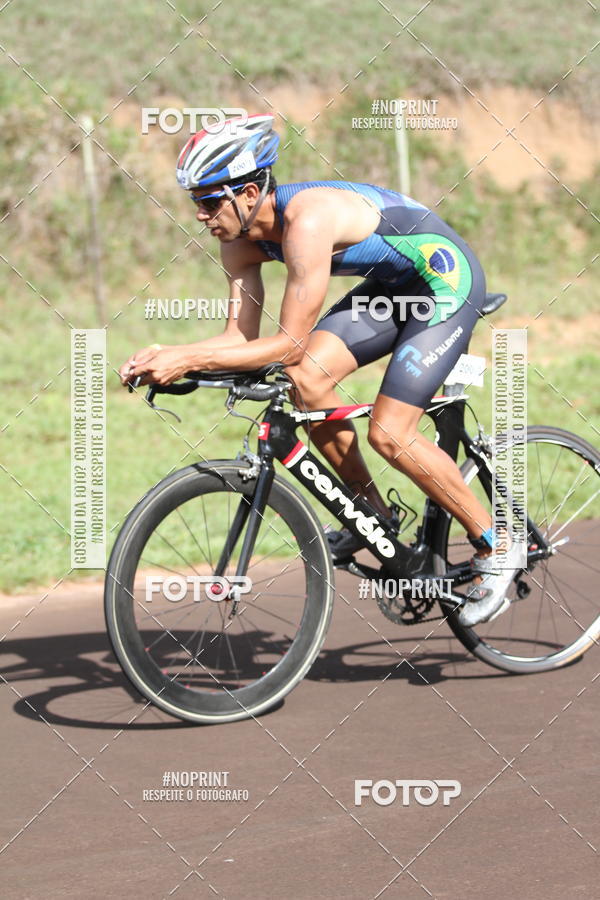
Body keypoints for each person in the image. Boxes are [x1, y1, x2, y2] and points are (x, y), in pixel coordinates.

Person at [119, 114, 521, 626]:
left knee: (390, 433)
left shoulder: (307, 220)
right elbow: (239, 338)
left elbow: (286, 343)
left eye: (207, 200)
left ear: (246, 192)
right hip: (391, 291)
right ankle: (372, 514)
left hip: (444, 283)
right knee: (308, 379)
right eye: (193, 202)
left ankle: (495, 543)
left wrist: (190, 358)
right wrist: (172, 354)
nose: (199, 215)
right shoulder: (237, 239)